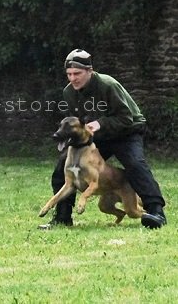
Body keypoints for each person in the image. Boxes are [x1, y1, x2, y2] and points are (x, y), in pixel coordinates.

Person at [39, 49, 167, 230]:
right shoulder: (69, 93)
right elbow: (78, 122)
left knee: (135, 164)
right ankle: (62, 217)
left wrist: (100, 123)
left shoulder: (108, 84)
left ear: (90, 71)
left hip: (127, 131)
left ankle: (156, 212)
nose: (73, 78)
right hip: (99, 136)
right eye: (69, 74)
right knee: (63, 165)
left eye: (77, 73)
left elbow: (126, 118)